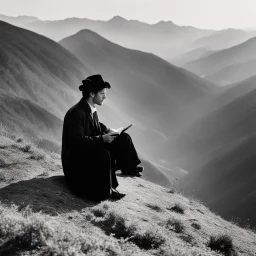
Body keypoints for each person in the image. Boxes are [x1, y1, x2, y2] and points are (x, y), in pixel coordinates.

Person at [61, 74, 144, 201]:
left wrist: (107, 131)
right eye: (102, 93)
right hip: (76, 161)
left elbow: (94, 127)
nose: (105, 97)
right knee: (103, 154)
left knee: (123, 138)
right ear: (92, 94)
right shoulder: (75, 113)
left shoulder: (89, 108)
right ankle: (109, 189)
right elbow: (77, 141)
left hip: (87, 149)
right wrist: (102, 139)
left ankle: (130, 167)